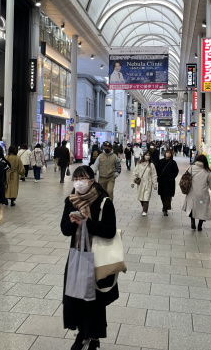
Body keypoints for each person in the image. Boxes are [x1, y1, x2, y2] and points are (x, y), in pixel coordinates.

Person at [61, 165, 118, 350]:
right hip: (77, 256)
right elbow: (64, 230)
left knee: (94, 301)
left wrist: (87, 223)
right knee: (75, 298)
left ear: (91, 181)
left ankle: (93, 337)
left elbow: (109, 231)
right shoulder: (71, 201)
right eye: (76, 179)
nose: (79, 182)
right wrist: (72, 223)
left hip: (97, 258)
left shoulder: (104, 202)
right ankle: (81, 333)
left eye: (82, 178)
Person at [182, 154, 211, 231]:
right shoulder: (207, 171)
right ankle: (200, 225)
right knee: (203, 209)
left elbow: (184, 178)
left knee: (192, 208)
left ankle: (192, 221)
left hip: (192, 193)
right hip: (202, 195)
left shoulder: (191, 168)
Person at [131, 150, 157, 216]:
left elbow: (154, 175)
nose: (147, 156)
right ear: (144, 155)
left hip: (148, 183)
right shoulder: (139, 163)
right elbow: (135, 172)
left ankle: (145, 210)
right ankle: (144, 206)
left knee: (146, 197)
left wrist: (155, 184)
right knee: (141, 197)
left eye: (149, 155)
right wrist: (132, 182)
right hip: (141, 183)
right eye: (146, 155)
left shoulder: (151, 165)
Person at [156, 149, 179, 216]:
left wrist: (172, 177)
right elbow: (157, 169)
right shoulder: (161, 161)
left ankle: (166, 208)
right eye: (167, 152)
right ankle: (164, 205)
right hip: (162, 181)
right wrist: (159, 175)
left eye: (169, 153)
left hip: (170, 182)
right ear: (165, 153)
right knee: (162, 195)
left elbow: (176, 171)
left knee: (168, 196)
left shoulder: (173, 162)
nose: (168, 154)